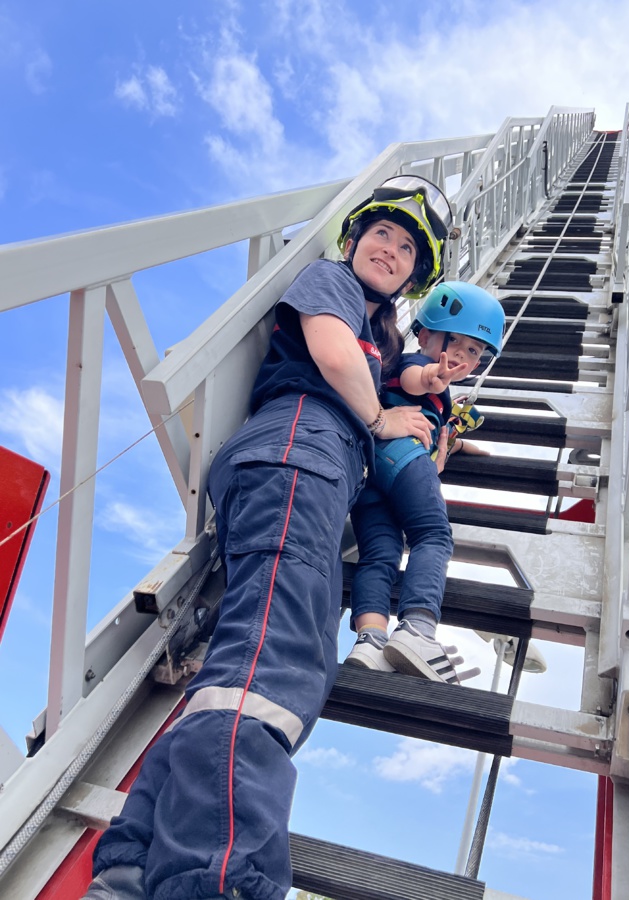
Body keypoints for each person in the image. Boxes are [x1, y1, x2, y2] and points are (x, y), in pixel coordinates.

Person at [83, 174, 452, 900]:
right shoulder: (332, 284)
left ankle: (129, 874)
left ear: (417, 273)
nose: (390, 248)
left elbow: (390, 380)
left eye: (408, 246)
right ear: (351, 241)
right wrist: (378, 421)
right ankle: (217, 881)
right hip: (299, 451)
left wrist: (420, 411)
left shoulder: (387, 334)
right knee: (272, 670)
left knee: (242, 676)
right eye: (381, 232)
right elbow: (331, 354)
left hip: (306, 467)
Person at [345, 281, 505, 682]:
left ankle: (371, 640)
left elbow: (435, 418)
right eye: (459, 345)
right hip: (399, 453)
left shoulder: (435, 388)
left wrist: (459, 445)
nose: (464, 359)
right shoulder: (410, 360)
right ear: (428, 333)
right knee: (433, 534)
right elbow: (417, 379)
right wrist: (436, 376)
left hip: (370, 474)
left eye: (475, 353)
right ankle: (418, 627)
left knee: (379, 553)